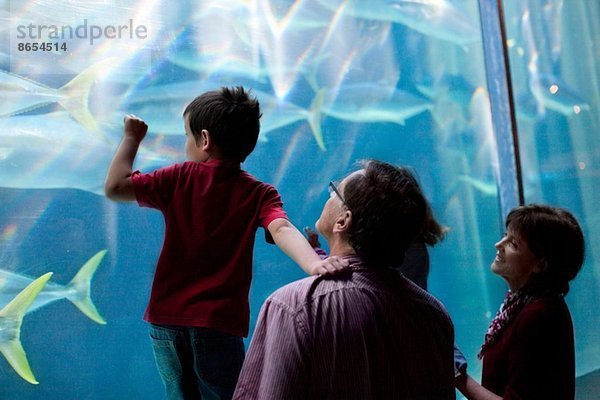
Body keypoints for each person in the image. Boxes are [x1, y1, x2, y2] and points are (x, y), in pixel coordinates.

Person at [104, 86, 346, 400]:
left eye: (187, 136)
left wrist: (131, 138)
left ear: (204, 140)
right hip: (219, 324)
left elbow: (115, 187)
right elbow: (282, 227)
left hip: (166, 320)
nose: (186, 144)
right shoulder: (259, 193)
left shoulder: (177, 178)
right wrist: (314, 263)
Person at [233, 160, 456, 399]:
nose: (329, 195)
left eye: (335, 191)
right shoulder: (435, 315)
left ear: (343, 221)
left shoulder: (292, 307)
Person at [455, 204, 585, 399]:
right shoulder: (524, 304)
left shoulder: (537, 316)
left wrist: (458, 376)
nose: (499, 244)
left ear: (540, 264)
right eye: (505, 235)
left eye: (513, 244)